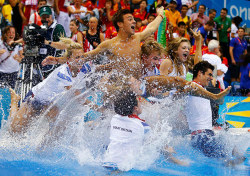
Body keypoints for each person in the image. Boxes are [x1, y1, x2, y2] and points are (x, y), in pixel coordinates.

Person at [43, 9, 231, 101]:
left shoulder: (137, 37)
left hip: (141, 81)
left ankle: (214, 97)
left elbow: (152, 27)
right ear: (120, 25)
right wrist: (59, 59)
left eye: (134, 18)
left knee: (178, 82)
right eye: (130, 19)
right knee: (111, 110)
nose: (134, 21)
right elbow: (85, 56)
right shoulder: (110, 44)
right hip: (121, 85)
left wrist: (160, 15)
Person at [103, 89, 188, 171]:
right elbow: (157, 143)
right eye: (139, 102)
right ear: (135, 108)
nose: (141, 104)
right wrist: (167, 149)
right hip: (124, 166)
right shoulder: (142, 126)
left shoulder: (114, 119)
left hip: (107, 161)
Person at [185, 61, 245, 166]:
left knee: (233, 148)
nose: (212, 78)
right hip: (200, 137)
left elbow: (220, 101)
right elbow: (216, 99)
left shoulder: (203, 89)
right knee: (227, 162)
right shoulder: (192, 87)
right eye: (209, 74)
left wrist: (223, 94)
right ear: (200, 73)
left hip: (208, 134)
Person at [38, 5, 66, 78]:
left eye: (48, 16)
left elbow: (64, 45)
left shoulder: (58, 28)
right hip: (42, 67)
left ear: (52, 16)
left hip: (56, 67)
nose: (46, 19)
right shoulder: (40, 29)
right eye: (43, 17)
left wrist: (48, 42)